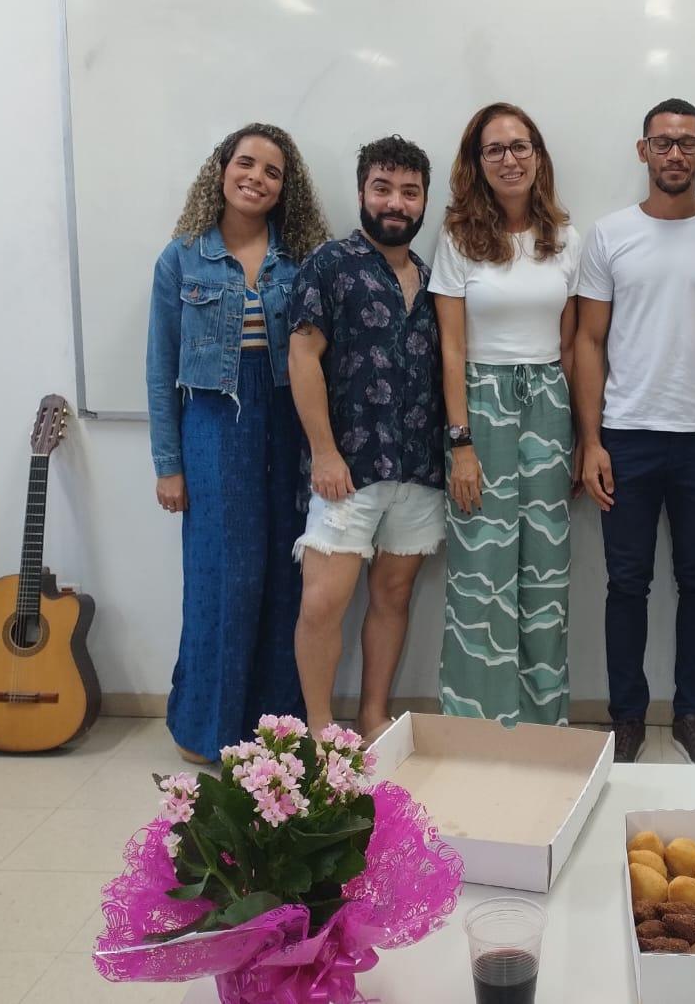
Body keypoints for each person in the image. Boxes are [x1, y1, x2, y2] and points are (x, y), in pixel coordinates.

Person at [146, 122, 327, 762]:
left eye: (272, 172)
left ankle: (274, 730)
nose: (256, 177)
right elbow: (159, 367)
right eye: (246, 163)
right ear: (222, 170)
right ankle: (209, 730)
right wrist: (169, 466)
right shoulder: (181, 258)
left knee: (285, 573)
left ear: (284, 190)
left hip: (286, 420)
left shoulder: (299, 261)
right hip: (213, 424)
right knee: (223, 578)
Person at [574, 98, 695, 764]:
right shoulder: (610, 234)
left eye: (686, 143)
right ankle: (626, 718)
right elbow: (587, 340)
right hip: (627, 433)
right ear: (643, 151)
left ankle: (694, 712)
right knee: (625, 582)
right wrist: (591, 440)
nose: (674, 154)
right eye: (662, 142)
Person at [288, 135, 444, 743]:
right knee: (324, 601)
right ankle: (321, 729)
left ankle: (374, 713)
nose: (396, 202)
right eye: (383, 188)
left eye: (409, 191)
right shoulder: (329, 264)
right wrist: (324, 452)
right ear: (362, 192)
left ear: (424, 199)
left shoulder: (432, 279)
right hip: (347, 466)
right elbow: (303, 357)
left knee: (394, 595)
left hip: (418, 470)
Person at [430, 103, 580, 725]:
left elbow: (571, 345)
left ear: (538, 156)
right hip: (482, 408)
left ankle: (545, 730)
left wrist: (579, 438)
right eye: (495, 149)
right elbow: (452, 347)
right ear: (478, 163)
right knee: (481, 576)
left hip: (548, 403)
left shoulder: (568, 238)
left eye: (521, 146)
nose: (510, 158)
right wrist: (460, 442)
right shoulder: (458, 237)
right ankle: (479, 727)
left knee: (545, 579)